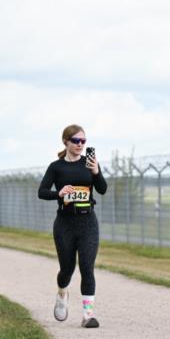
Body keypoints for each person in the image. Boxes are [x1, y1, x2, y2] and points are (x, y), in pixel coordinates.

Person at [38, 124, 107, 328]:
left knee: (87, 267)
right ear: (66, 142)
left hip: (87, 222)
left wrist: (96, 172)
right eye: (76, 141)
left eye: (83, 141)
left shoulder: (89, 163)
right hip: (65, 224)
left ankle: (88, 316)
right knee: (67, 269)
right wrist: (58, 194)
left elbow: (102, 189)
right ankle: (62, 292)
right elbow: (42, 192)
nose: (80, 145)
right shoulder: (56, 167)